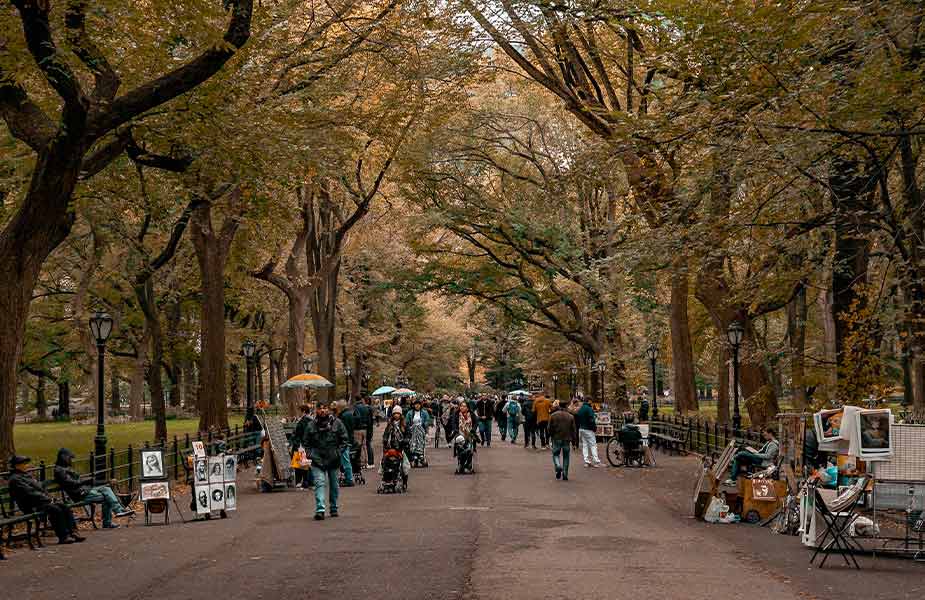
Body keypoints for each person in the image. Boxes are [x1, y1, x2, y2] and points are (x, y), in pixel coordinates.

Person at [9, 455, 85, 544]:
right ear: (17, 466)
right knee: (56, 510)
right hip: (30, 505)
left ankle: (73, 532)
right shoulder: (15, 479)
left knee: (64, 507)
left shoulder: (25, 475)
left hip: (40, 502)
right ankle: (63, 536)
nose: (27, 466)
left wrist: (50, 498)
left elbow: (40, 488)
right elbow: (30, 493)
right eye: (24, 464)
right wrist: (48, 499)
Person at [54, 448, 133, 529]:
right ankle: (113, 516)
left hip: (85, 490)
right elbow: (72, 483)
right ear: (63, 457)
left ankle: (118, 511)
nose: (71, 460)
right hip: (79, 494)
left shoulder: (66, 468)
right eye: (69, 458)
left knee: (106, 489)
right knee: (107, 497)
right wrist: (86, 480)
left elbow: (79, 480)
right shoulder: (59, 471)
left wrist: (103, 481)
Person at [299, 401, 350, 520]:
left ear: (329, 409)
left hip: (333, 458)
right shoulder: (311, 425)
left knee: (334, 484)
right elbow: (306, 443)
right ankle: (320, 509)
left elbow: (344, 440)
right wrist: (311, 454)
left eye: (325, 408)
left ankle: (333, 507)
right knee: (319, 482)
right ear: (316, 410)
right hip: (317, 459)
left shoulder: (337, 423)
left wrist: (338, 453)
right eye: (320, 408)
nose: (322, 410)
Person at [548, 401, 578, 480]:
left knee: (555, 454)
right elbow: (573, 431)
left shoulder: (553, 415)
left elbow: (549, 428)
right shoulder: (571, 417)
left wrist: (551, 436)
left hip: (556, 438)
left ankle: (558, 466)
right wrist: (574, 443)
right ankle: (565, 473)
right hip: (567, 439)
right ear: (566, 406)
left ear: (559, 406)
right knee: (566, 456)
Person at [575, 395, 603, 467]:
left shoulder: (581, 408)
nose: (592, 402)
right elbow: (591, 420)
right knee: (593, 444)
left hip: (581, 428)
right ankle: (596, 461)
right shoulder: (589, 409)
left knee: (585, 445)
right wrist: (594, 428)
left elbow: (577, 417)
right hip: (588, 429)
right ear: (589, 401)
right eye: (591, 401)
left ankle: (587, 461)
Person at [290, 404, 314, 489]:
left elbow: (299, 434)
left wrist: (297, 443)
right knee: (307, 465)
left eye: (300, 411)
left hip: (301, 445)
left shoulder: (303, 421)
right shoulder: (311, 420)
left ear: (303, 411)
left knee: (301, 465)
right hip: (308, 446)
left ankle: (302, 482)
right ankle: (309, 482)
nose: (298, 413)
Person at [334, 401, 356, 486]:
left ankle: (349, 479)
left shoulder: (343, 416)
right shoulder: (349, 414)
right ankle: (348, 478)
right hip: (349, 439)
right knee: (346, 460)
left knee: (346, 461)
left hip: (344, 441)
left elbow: (342, 429)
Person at [405, 398, 432, 464]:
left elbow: (427, 420)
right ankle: (414, 454)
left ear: (420, 405)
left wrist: (424, 425)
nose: (417, 406)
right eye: (416, 404)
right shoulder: (410, 413)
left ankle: (420, 454)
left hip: (421, 430)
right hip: (413, 430)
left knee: (418, 429)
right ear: (413, 405)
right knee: (415, 430)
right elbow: (407, 422)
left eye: (418, 404)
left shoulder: (424, 412)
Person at [353, 395, 375, 468]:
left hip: (358, 429)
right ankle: (368, 462)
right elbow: (370, 421)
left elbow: (355, 418)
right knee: (365, 445)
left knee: (359, 446)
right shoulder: (366, 408)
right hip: (366, 428)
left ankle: (362, 462)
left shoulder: (356, 407)